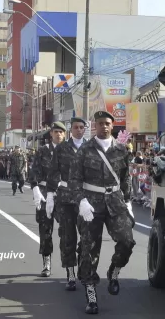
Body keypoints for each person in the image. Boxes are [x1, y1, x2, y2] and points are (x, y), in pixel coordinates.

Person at [69, 111, 135, 314]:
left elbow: (125, 179)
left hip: (115, 202)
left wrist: (128, 201)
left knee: (127, 241)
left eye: (107, 123)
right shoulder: (85, 150)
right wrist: (81, 202)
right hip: (91, 204)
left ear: (112, 125)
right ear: (94, 126)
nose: (104, 126)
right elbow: (74, 180)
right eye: (100, 123)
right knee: (89, 250)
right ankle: (91, 296)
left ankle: (114, 272)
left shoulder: (122, 150)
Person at [46, 117, 89, 291]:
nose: (79, 130)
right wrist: (50, 194)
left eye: (81, 127)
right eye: (76, 127)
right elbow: (53, 171)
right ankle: (70, 274)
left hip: (85, 199)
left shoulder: (91, 147)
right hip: (65, 199)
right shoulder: (62, 148)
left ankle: (84, 268)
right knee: (67, 237)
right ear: (71, 130)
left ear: (85, 129)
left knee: (87, 238)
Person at [30, 121, 67, 277]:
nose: (58, 134)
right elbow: (34, 172)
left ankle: (69, 266)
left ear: (65, 134)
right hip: (45, 192)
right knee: (45, 230)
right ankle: (47, 263)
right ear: (51, 133)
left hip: (64, 193)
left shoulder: (70, 151)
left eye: (61, 132)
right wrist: (35, 189)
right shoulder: (43, 151)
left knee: (67, 232)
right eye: (56, 131)